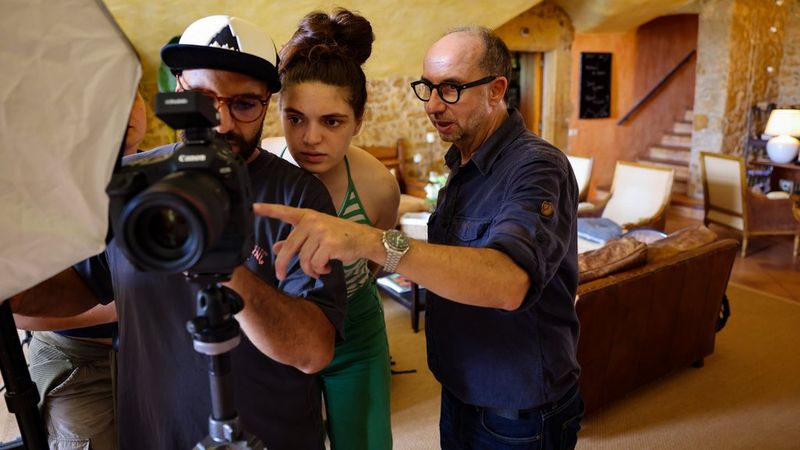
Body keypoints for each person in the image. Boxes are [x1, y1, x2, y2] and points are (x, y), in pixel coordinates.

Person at [12, 15, 347, 450]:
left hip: (270, 434)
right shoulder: (132, 180)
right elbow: (81, 286)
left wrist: (226, 264)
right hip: (153, 432)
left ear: (267, 105)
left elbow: (313, 351)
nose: (222, 123)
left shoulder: (299, 195)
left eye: (244, 104)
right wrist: (12, 283)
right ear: (176, 90)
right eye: (203, 99)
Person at [255, 27, 584, 449]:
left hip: (517, 407)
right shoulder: (464, 165)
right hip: (462, 389)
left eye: (450, 89)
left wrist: (370, 240)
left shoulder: (538, 168)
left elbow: (509, 282)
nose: (431, 104)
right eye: (427, 87)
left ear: (496, 90)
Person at [273, 8, 398, 450]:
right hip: (281, 334)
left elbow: (385, 258)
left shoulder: (378, 186)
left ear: (358, 122)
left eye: (331, 121)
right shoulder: (261, 175)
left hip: (356, 335)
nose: (310, 138)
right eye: (295, 118)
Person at [11, 90, 146, 450]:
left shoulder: (160, 179)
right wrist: (131, 306)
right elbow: (20, 314)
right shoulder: (48, 190)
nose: (126, 110)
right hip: (79, 360)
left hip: (151, 358)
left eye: (134, 96)